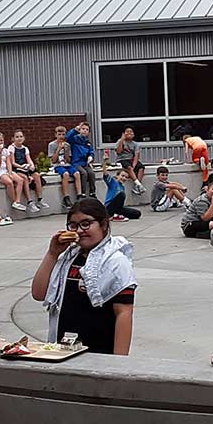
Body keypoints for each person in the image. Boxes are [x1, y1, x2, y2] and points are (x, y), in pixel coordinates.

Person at [31, 197, 136, 355]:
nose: (79, 230)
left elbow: (124, 312)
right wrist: (52, 254)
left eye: (86, 223)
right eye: (73, 225)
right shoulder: (68, 258)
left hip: (98, 351)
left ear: (104, 224)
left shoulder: (116, 262)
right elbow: (38, 294)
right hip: (63, 349)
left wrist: (118, 362)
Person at [0, 132, 30, 211]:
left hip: (5, 170)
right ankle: (13, 201)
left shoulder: (6, 151)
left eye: (1, 141)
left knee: (20, 180)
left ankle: (17, 201)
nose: (0, 143)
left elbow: (8, 163)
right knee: (9, 182)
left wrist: (10, 172)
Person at [8, 130, 47, 212]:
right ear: (13, 139)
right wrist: (21, 167)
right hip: (17, 168)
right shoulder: (11, 148)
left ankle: (40, 199)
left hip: (25, 167)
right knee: (25, 178)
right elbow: (12, 162)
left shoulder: (25, 148)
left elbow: (29, 159)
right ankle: (30, 202)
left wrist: (31, 166)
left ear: (24, 138)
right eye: (17, 137)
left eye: (21, 136)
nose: (19, 138)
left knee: (36, 175)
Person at [49, 125, 82, 209]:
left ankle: (79, 195)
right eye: (59, 134)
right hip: (57, 165)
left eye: (63, 134)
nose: (61, 136)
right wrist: (58, 149)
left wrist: (66, 151)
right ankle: (66, 197)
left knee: (77, 173)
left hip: (66, 164)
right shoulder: (52, 145)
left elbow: (68, 160)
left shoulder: (67, 145)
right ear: (55, 135)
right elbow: (53, 160)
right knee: (66, 174)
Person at [66, 122, 98, 198]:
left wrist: (91, 156)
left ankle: (92, 192)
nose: (85, 131)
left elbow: (91, 151)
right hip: (76, 163)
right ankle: (82, 192)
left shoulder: (87, 142)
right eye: (83, 129)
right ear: (79, 130)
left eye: (87, 130)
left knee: (91, 173)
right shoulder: (74, 139)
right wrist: (74, 130)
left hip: (85, 163)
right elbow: (68, 137)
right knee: (83, 173)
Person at [113, 126, 147, 195]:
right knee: (129, 167)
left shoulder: (135, 144)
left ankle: (136, 186)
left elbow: (136, 155)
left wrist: (134, 165)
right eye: (127, 131)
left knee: (141, 167)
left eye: (131, 131)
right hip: (122, 159)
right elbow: (118, 152)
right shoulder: (120, 141)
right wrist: (122, 140)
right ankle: (139, 185)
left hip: (131, 160)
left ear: (133, 134)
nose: (129, 133)